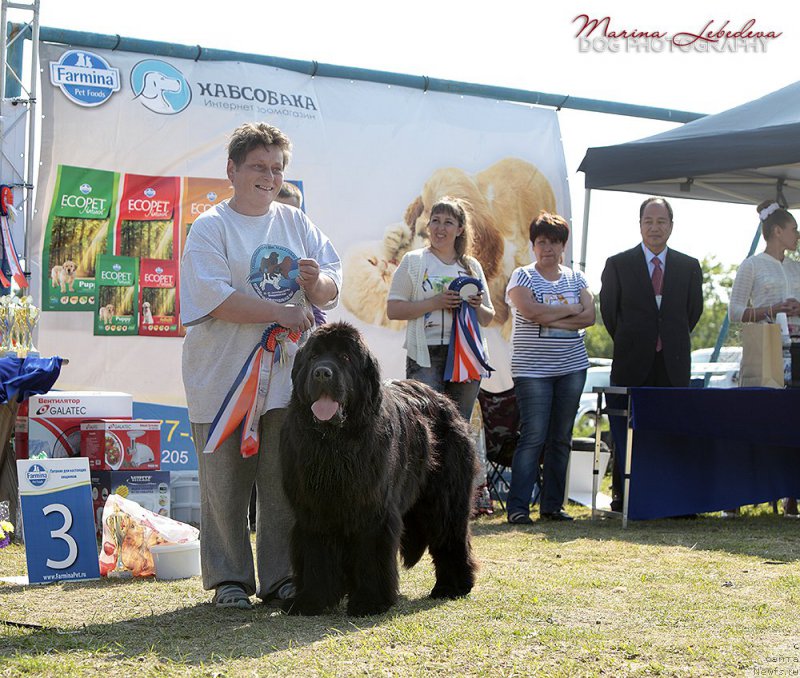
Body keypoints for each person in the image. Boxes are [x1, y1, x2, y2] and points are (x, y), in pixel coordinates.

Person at [180, 122, 341, 609]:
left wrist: (315, 285)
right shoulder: (210, 227)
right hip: (222, 379)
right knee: (224, 486)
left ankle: (281, 577)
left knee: (282, 486)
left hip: (287, 383)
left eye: (276, 168)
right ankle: (228, 579)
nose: (269, 177)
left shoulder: (297, 223)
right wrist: (280, 311)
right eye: (258, 167)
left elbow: (331, 288)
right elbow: (215, 299)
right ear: (232, 170)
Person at [599, 196, 703, 511]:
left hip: (673, 363)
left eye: (661, 221)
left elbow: (693, 312)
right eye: (649, 221)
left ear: (671, 225)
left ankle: (673, 500)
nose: (655, 228)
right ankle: (624, 497)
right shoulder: (618, 264)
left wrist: (666, 338)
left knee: (673, 431)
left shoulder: (688, 266)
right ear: (640, 224)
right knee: (627, 431)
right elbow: (610, 314)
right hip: (632, 361)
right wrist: (638, 340)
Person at [504, 212, 595, 524]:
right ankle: (518, 508)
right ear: (533, 245)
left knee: (561, 438)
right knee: (534, 436)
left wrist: (550, 315)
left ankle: (552, 507)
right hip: (532, 372)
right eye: (542, 242)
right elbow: (530, 312)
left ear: (563, 246)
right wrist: (570, 310)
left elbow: (589, 317)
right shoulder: (522, 276)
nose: (548, 248)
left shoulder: (577, 278)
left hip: (572, 367)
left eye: (554, 242)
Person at [386, 196, 495, 422]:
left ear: (460, 229)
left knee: (459, 426)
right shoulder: (414, 261)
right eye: (435, 220)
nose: (440, 228)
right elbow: (393, 310)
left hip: (467, 355)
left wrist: (476, 306)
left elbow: (487, 318)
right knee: (426, 425)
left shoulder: (471, 266)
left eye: (448, 222)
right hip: (426, 353)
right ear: (428, 225)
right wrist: (434, 303)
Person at [728, 199, 800, 517]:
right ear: (777, 231)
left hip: (795, 352)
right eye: (793, 228)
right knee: (756, 421)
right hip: (765, 352)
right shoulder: (753, 265)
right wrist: (771, 309)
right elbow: (734, 312)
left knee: (793, 423)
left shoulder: (796, 266)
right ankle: (738, 493)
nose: (797, 234)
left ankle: (791, 493)